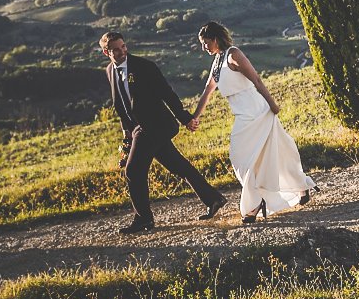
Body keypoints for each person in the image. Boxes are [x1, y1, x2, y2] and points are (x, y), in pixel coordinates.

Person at [100, 31, 228, 234]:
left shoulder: (144, 67)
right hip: (138, 129)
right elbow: (122, 105)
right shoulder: (110, 71)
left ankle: (144, 220)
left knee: (133, 171)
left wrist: (185, 118)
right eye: (116, 49)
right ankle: (214, 198)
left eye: (123, 46)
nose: (122, 51)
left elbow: (167, 93)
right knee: (177, 165)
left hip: (156, 125)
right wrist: (127, 134)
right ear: (106, 52)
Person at [192, 22, 315, 223]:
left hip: (258, 112)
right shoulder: (217, 62)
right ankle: (299, 186)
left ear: (214, 39)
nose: (204, 47)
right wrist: (194, 117)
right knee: (254, 157)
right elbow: (207, 91)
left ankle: (254, 204)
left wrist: (273, 105)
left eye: (205, 43)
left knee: (261, 155)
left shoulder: (233, 54)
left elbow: (256, 80)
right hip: (243, 116)